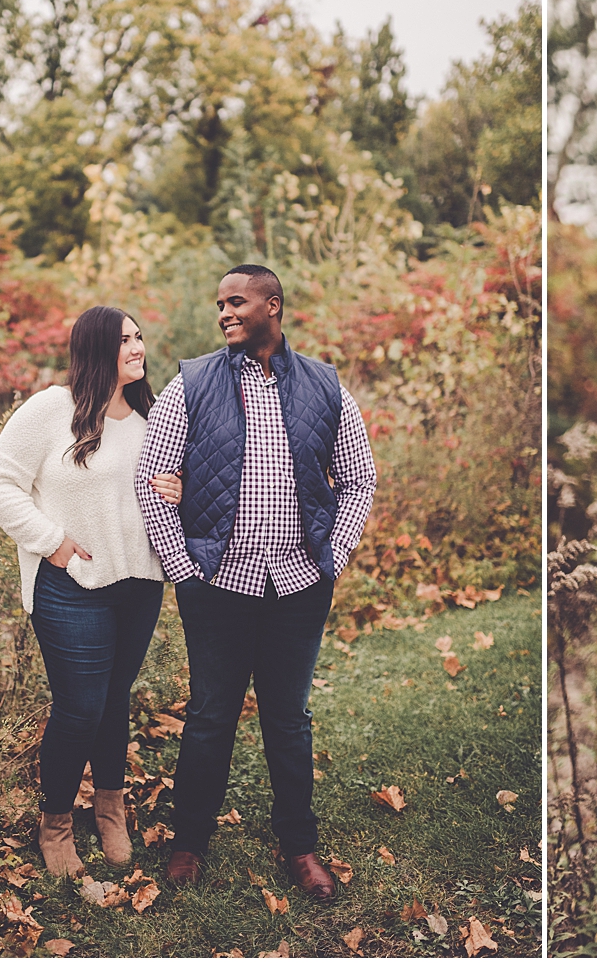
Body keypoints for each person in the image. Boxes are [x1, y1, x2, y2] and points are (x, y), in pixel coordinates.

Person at [134, 263, 377, 899]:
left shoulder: (325, 385)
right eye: (220, 304)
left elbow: (358, 476)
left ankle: (298, 847)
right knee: (211, 716)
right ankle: (189, 842)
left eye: (236, 301)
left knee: (289, 720)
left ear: (274, 303)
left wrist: (335, 554)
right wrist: (184, 567)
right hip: (218, 586)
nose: (224, 313)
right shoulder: (191, 383)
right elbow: (150, 480)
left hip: (299, 585)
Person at [0, 306, 183, 878]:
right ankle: (56, 821)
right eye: (125, 341)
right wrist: (52, 542)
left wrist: (181, 488)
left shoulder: (153, 414)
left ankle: (110, 808)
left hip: (138, 583)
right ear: (95, 349)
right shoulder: (51, 409)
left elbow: (173, 489)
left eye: (141, 337)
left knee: (115, 699)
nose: (138, 348)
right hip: (71, 586)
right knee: (79, 708)